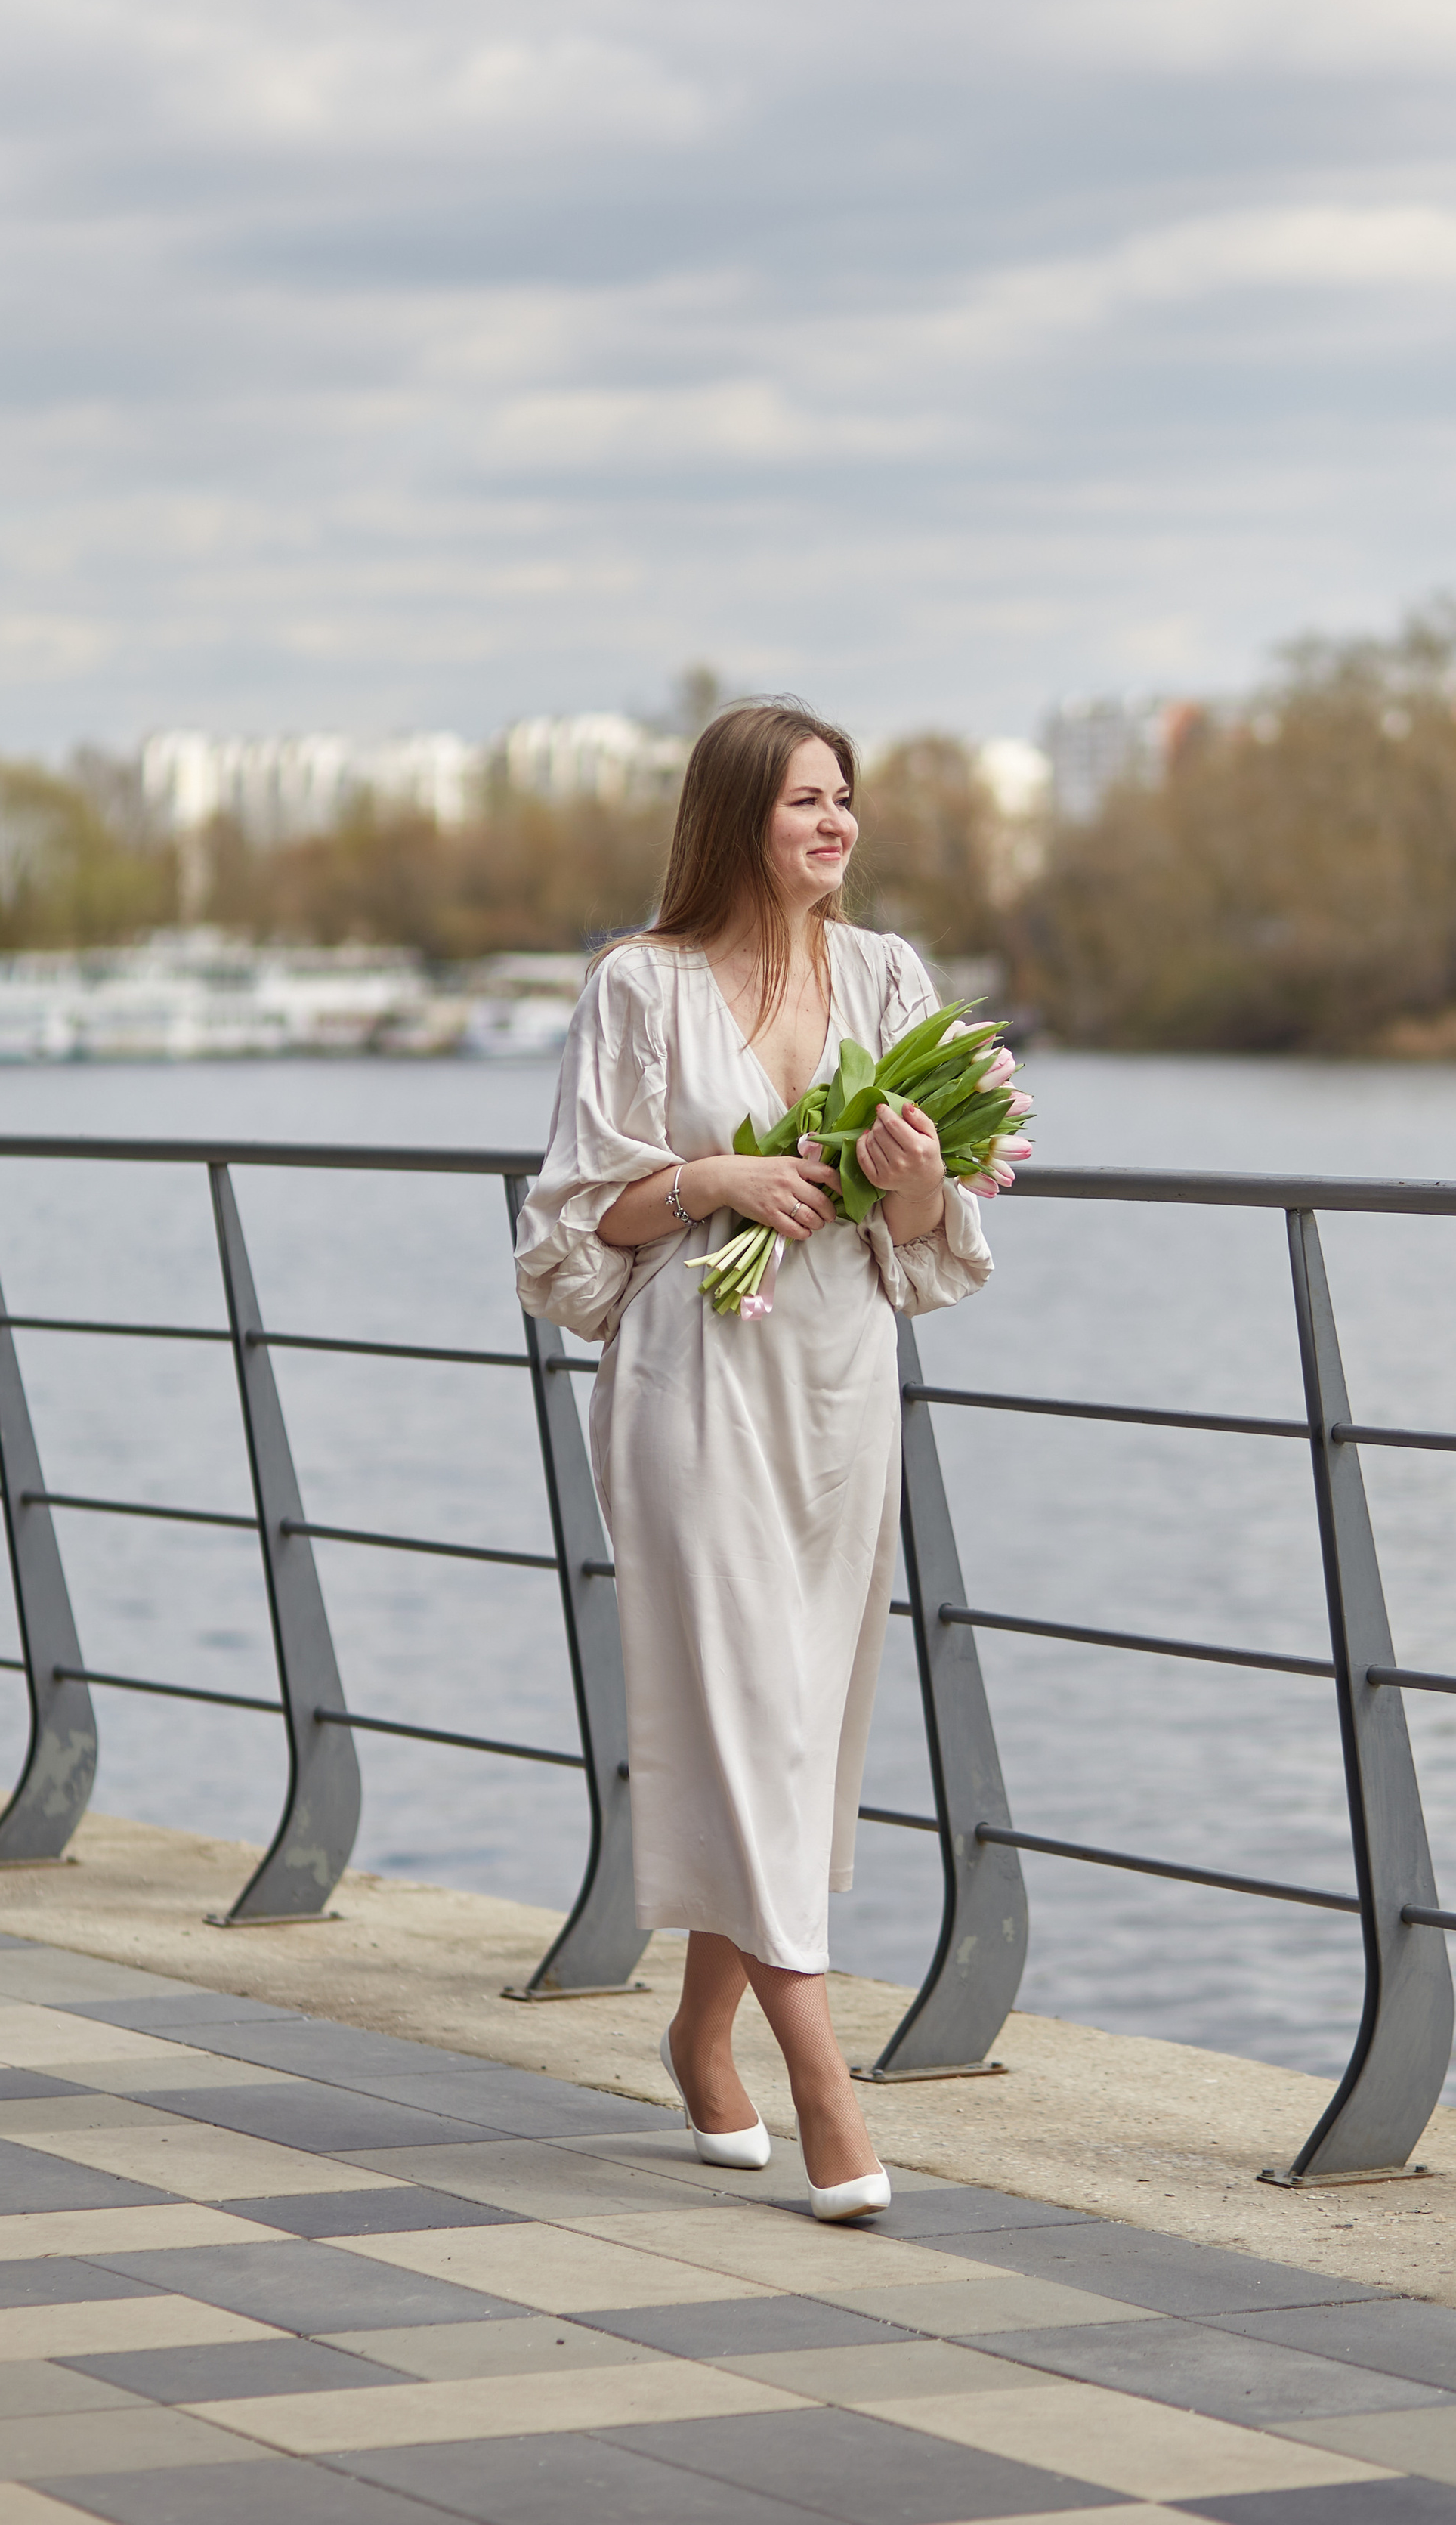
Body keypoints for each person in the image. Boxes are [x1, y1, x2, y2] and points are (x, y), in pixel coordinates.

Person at [513, 700, 992, 2218]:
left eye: (843, 797)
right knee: (740, 1712)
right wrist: (712, 1177)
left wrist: (914, 1180)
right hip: (692, 1385)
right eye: (802, 801)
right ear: (736, 819)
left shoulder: (889, 978)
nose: (834, 823)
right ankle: (826, 2094)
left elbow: (930, 1241)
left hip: (840, 1385)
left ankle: (698, 2035)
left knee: (795, 1730)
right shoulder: (638, 986)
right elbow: (571, 1224)